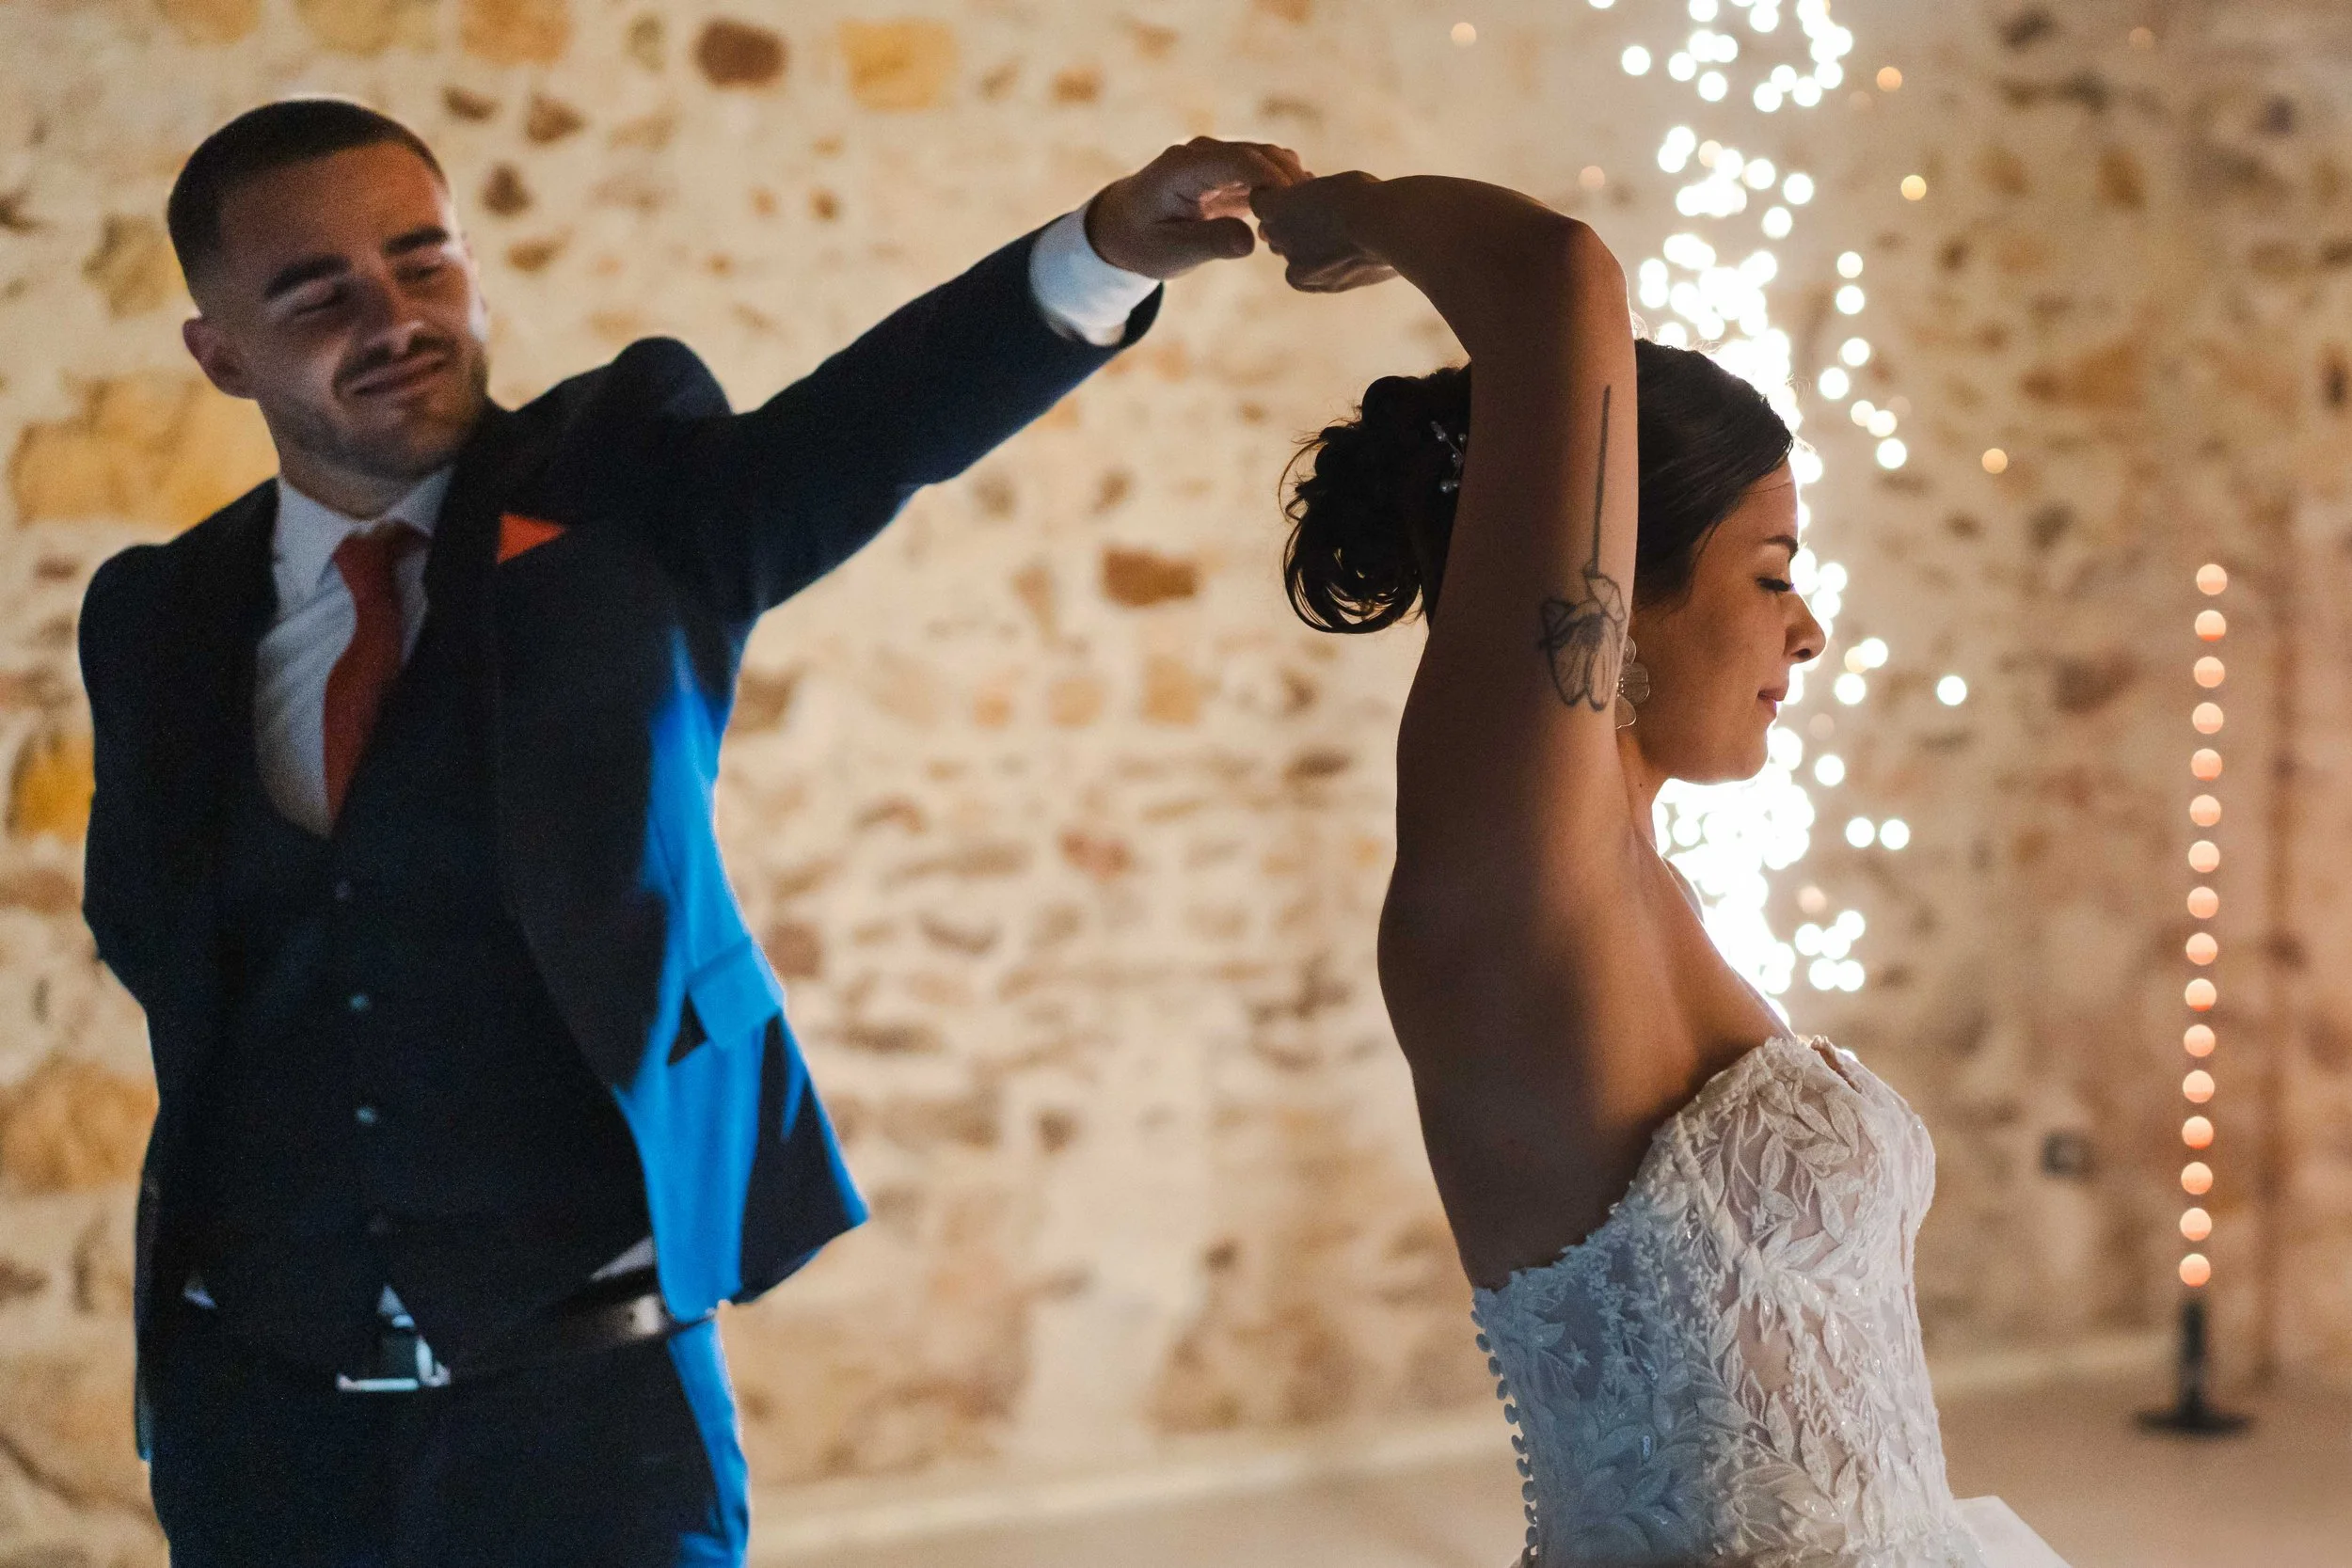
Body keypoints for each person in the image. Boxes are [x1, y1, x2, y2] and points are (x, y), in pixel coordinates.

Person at [78, 96, 1302, 1565]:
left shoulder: (626, 487)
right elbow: (165, 941)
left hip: (587, 1408)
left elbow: (869, 428)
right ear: (220, 354)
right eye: (318, 292)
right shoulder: (158, 616)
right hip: (257, 1420)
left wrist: (1107, 248)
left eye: (424, 262)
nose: (395, 316)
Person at [1252, 170, 2072, 1567]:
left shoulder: (1641, 885)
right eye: (1771, 573)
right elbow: (1562, 275)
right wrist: (1343, 215)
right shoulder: (1516, 877)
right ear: (1621, 597)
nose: (1806, 631)